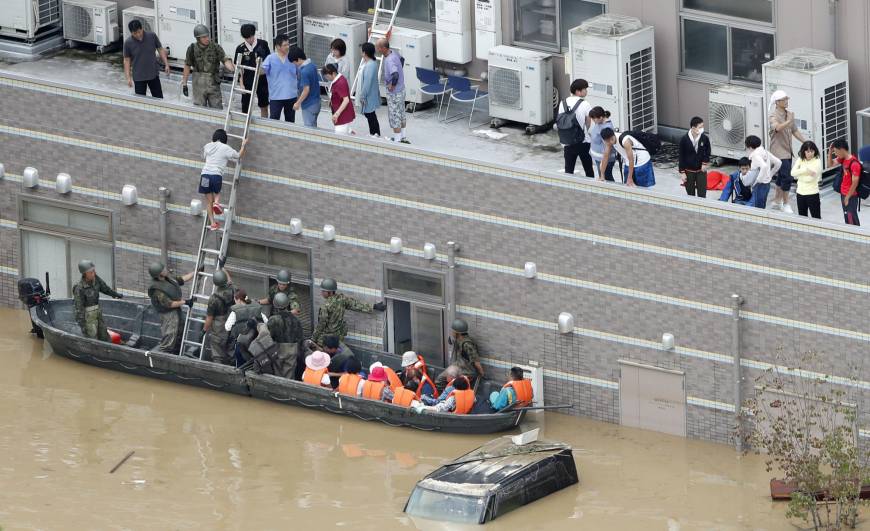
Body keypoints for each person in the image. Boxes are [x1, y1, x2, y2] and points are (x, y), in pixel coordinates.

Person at [311, 278, 385, 345]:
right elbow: (356, 304)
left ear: (329, 292)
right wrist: (374, 306)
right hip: (339, 337)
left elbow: (321, 325)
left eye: (324, 291)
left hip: (327, 339)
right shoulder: (342, 299)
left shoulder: (325, 307)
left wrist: (313, 339)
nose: (322, 293)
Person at [200, 129, 248, 231]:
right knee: (217, 192)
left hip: (204, 175)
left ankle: (213, 224)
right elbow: (238, 155)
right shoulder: (225, 148)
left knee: (208, 202)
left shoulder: (207, 146)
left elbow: (204, 156)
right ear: (224, 138)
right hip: (216, 174)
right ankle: (217, 203)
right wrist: (243, 145)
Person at [768, 90, 806, 214]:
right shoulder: (773, 116)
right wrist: (789, 121)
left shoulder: (788, 114)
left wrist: (805, 142)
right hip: (778, 151)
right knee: (787, 177)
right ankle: (785, 203)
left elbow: (794, 130)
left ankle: (776, 201)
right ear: (777, 102)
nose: (786, 101)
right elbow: (777, 128)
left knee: (781, 177)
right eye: (784, 99)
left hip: (788, 150)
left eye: (787, 99)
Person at [147, 261, 196, 354]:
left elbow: (181, 279)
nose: (166, 269)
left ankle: (176, 352)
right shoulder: (157, 290)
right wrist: (185, 302)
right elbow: (170, 304)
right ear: (159, 274)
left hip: (176, 311)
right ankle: (162, 355)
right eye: (163, 269)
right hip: (168, 315)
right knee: (170, 335)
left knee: (179, 333)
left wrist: (195, 272)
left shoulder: (167, 279)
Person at [181, 24, 235, 109]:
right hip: (198, 84)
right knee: (200, 110)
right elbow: (187, 66)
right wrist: (184, 84)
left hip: (213, 82)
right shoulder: (192, 48)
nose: (207, 39)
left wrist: (232, 69)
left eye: (207, 36)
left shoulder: (215, 47)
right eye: (203, 37)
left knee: (217, 108)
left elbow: (225, 60)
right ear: (198, 38)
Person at [73, 260, 123, 341]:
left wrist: (115, 294)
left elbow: (105, 288)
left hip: (97, 312)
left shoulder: (96, 279)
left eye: (94, 270)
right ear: (85, 273)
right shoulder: (79, 288)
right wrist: (83, 326)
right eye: (91, 272)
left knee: (104, 334)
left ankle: (107, 348)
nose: (94, 273)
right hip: (87, 316)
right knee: (92, 337)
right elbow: (79, 308)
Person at [123, 19, 169, 99]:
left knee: (159, 99)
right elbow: (127, 60)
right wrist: (128, 77)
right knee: (141, 101)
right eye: (134, 33)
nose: (137, 35)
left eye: (139, 32)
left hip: (153, 74)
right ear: (131, 33)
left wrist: (166, 64)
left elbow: (160, 49)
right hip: (139, 77)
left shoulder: (152, 36)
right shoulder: (128, 43)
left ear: (142, 28)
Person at [435, 319, 484, 392]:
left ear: (457, 333)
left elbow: (476, 361)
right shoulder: (458, 339)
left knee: (441, 381)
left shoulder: (467, 344)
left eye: (453, 331)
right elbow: (452, 341)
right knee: (441, 379)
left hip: (467, 370)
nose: (452, 333)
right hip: (459, 367)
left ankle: (448, 397)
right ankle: (447, 396)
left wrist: (481, 373)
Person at [376, 38, 409, 144]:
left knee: (394, 115)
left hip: (394, 93)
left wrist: (392, 85)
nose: (377, 49)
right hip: (401, 89)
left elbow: (395, 74)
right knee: (401, 113)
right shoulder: (394, 53)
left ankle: (397, 140)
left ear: (383, 48)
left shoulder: (389, 60)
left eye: (378, 47)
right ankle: (403, 137)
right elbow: (402, 60)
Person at [235, 23, 270, 118]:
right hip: (247, 80)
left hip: (262, 79)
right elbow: (239, 68)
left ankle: (264, 123)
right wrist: (241, 84)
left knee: (264, 105)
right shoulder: (240, 48)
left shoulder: (263, 44)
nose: (249, 40)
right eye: (246, 38)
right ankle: (245, 122)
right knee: (246, 105)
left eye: (250, 37)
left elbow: (269, 62)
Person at [224, 288, 267, 364]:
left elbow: (227, 327)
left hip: (241, 345)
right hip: (255, 345)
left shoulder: (235, 312)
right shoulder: (256, 308)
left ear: (239, 300)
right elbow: (266, 322)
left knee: (240, 367)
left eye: (235, 300)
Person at [266, 292, 304, 378]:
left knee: (277, 373)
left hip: (278, 348)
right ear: (287, 304)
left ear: (275, 306)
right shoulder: (295, 319)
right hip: (292, 349)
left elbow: (268, 336)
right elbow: (300, 337)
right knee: (290, 374)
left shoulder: (273, 319)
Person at [262, 35, 298, 122]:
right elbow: (262, 71)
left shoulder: (293, 57)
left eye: (288, 44)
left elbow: (299, 73)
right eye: (285, 45)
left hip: (291, 96)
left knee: (290, 121)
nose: (287, 47)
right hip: (276, 97)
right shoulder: (270, 58)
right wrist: (258, 65)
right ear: (278, 46)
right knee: (274, 120)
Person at [561, 79, 593, 177]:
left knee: (569, 169)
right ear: (578, 91)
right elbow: (588, 123)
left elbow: (560, 120)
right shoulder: (585, 104)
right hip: (582, 141)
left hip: (567, 140)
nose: (586, 91)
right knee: (588, 169)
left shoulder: (563, 102)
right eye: (585, 89)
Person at [201, 269, 233, 365]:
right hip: (231, 322)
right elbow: (230, 281)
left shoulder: (214, 299)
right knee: (230, 349)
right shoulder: (232, 289)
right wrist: (224, 269)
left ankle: (218, 370)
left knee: (217, 351)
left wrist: (203, 330)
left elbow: (209, 318)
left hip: (219, 327)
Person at [827, 139, 862, 226]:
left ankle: (856, 236)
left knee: (851, 218)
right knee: (847, 217)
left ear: (841, 149)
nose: (835, 153)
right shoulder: (842, 159)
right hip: (844, 193)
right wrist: (830, 152)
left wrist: (847, 197)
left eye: (835, 151)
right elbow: (830, 165)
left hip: (851, 196)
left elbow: (855, 183)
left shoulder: (854, 164)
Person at [744, 135, 781, 210]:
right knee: (761, 205)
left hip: (759, 184)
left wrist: (758, 180)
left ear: (750, 147)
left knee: (757, 207)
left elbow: (764, 166)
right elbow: (778, 162)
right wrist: (770, 174)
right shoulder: (765, 152)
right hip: (766, 184)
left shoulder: (755, 155)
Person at [678, 116, 711, 198]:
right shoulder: (684, 139)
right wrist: (682, 172)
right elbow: (681, 156)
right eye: (700, 127)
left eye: (703, 126)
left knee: (702, 194)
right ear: (693, 128)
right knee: (690, 194)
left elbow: (708, 151)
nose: (702, 129)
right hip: (689, 170)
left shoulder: (704, 138)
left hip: (701, 170)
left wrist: (704, 163)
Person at [791, 141, 823, 219]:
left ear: (815, 151)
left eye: (812, 151)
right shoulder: (800, 159)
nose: (810, 154)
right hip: (800, 193)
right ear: (803, 151)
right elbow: (792, 173)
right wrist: (805, 170)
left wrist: (799, 175)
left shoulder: (817, 161)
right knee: (802, 217)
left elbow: (809, 179)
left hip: (812, 194)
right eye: (807, 151)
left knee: (816, 218)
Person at [291, 47, 322, 128]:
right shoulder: (312, 65)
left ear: (298, 59)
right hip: (317, 102)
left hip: (309, 105)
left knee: (309, 130)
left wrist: (298, 103)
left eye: (294, 62)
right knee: (314, 127)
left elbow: (306, 89)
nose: (294, 65)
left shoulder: (304, 71)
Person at [322, 63, 355, 135]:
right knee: (344, 130)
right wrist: (331, 101)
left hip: (342, 115)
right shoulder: (337, 79)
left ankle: (349, 133)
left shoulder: (340, 83)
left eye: (327, 76)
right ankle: (349, 132)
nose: (327, 78)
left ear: (333, 73)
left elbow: (346, 100)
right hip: (341, 113)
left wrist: (336, 114)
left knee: (339, 136)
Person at [357, 42, 381, 138]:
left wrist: (362, 95)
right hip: (369, 94)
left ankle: (375, 133)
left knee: (370, 114)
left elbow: (367, 82)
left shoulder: (370, 65)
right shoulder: (369, 63)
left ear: (365, 53)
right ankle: (373, 133)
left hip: (369, 94)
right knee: (370, 114)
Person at [589, 107, 616, 181]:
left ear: (601, 117)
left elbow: (607, 151)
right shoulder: (600, 122)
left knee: (606, 178)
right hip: (599, 158)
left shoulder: (606, 128)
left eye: (594, 118)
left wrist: (602, 173)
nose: (593, 121)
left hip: (604, 159)